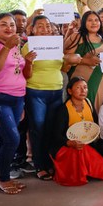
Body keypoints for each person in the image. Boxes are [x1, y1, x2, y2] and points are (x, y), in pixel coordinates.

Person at [0, 13, 36, 195]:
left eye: (12, 25)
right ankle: (3, 178)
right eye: (3, 24)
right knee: (13, 138)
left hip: (18, 97)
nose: (9, 28)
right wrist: (7, 47)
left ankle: (4, 175)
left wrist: (28, 62)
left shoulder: (16, 45)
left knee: (6, 139)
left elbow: (21, 73)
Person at [23, 15, 79, 181]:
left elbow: (62, 67)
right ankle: (40, 165)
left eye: (47, 26)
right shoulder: (27, 47)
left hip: (56, 91)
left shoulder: (55, 45)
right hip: (36, 92)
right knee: (38, 129)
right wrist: (28, 62)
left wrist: (71, 60)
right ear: (32, 29)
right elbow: (26, 74)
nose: (45, 29)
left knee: (52, 128)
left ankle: (51, 161)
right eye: (40, 26)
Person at [48, 77, 103, 185]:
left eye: (85, 87)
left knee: (100, 162)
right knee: (78, 154)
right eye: (78, 88)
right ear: (70, 91)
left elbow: (95, 124)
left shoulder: (88, 103)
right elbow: (56, 135)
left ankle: (86, 171)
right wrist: (69, 143)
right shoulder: (64, 109)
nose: (83, 90)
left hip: (86, 143)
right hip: (66, 146)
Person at [64, 11, 103, 110]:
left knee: (95, 109)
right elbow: (65, 56)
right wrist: (86, 61)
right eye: (90, 20)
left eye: (96, 20)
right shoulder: (77, 36)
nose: (94, 23)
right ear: (84, 22)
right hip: (79, 79)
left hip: (99, 80)